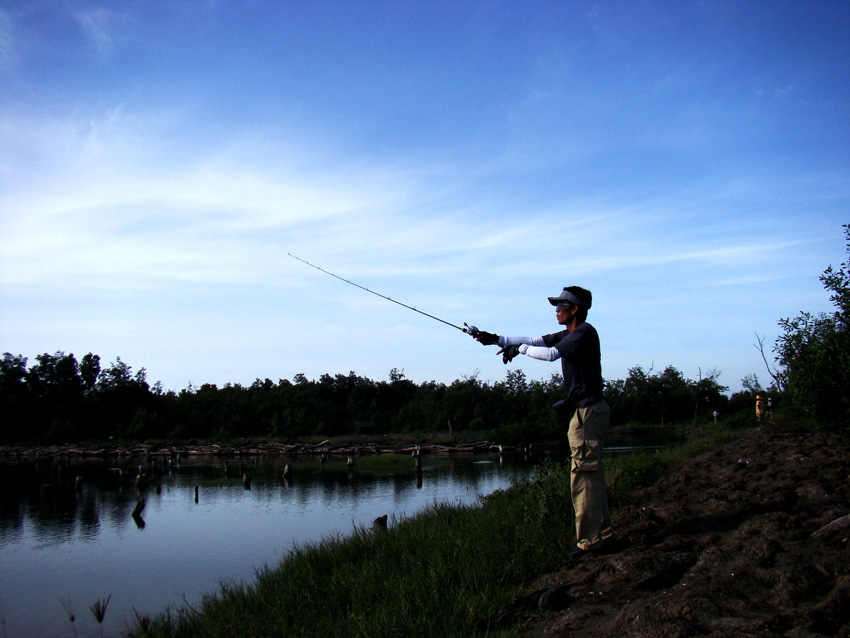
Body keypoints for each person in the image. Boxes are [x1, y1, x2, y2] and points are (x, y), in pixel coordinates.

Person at [473, 286, 612, 558]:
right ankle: (603, 535)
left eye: (561, 305)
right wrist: (496, 339)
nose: (556, 310)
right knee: (591, 475)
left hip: (588, 413)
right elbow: (536, 340)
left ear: (574, 309)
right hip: (586, 412)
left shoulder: (583, 333)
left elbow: (549, 354)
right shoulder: (568, 333)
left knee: (584, 477)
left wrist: (518, 349)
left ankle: (590, 543)